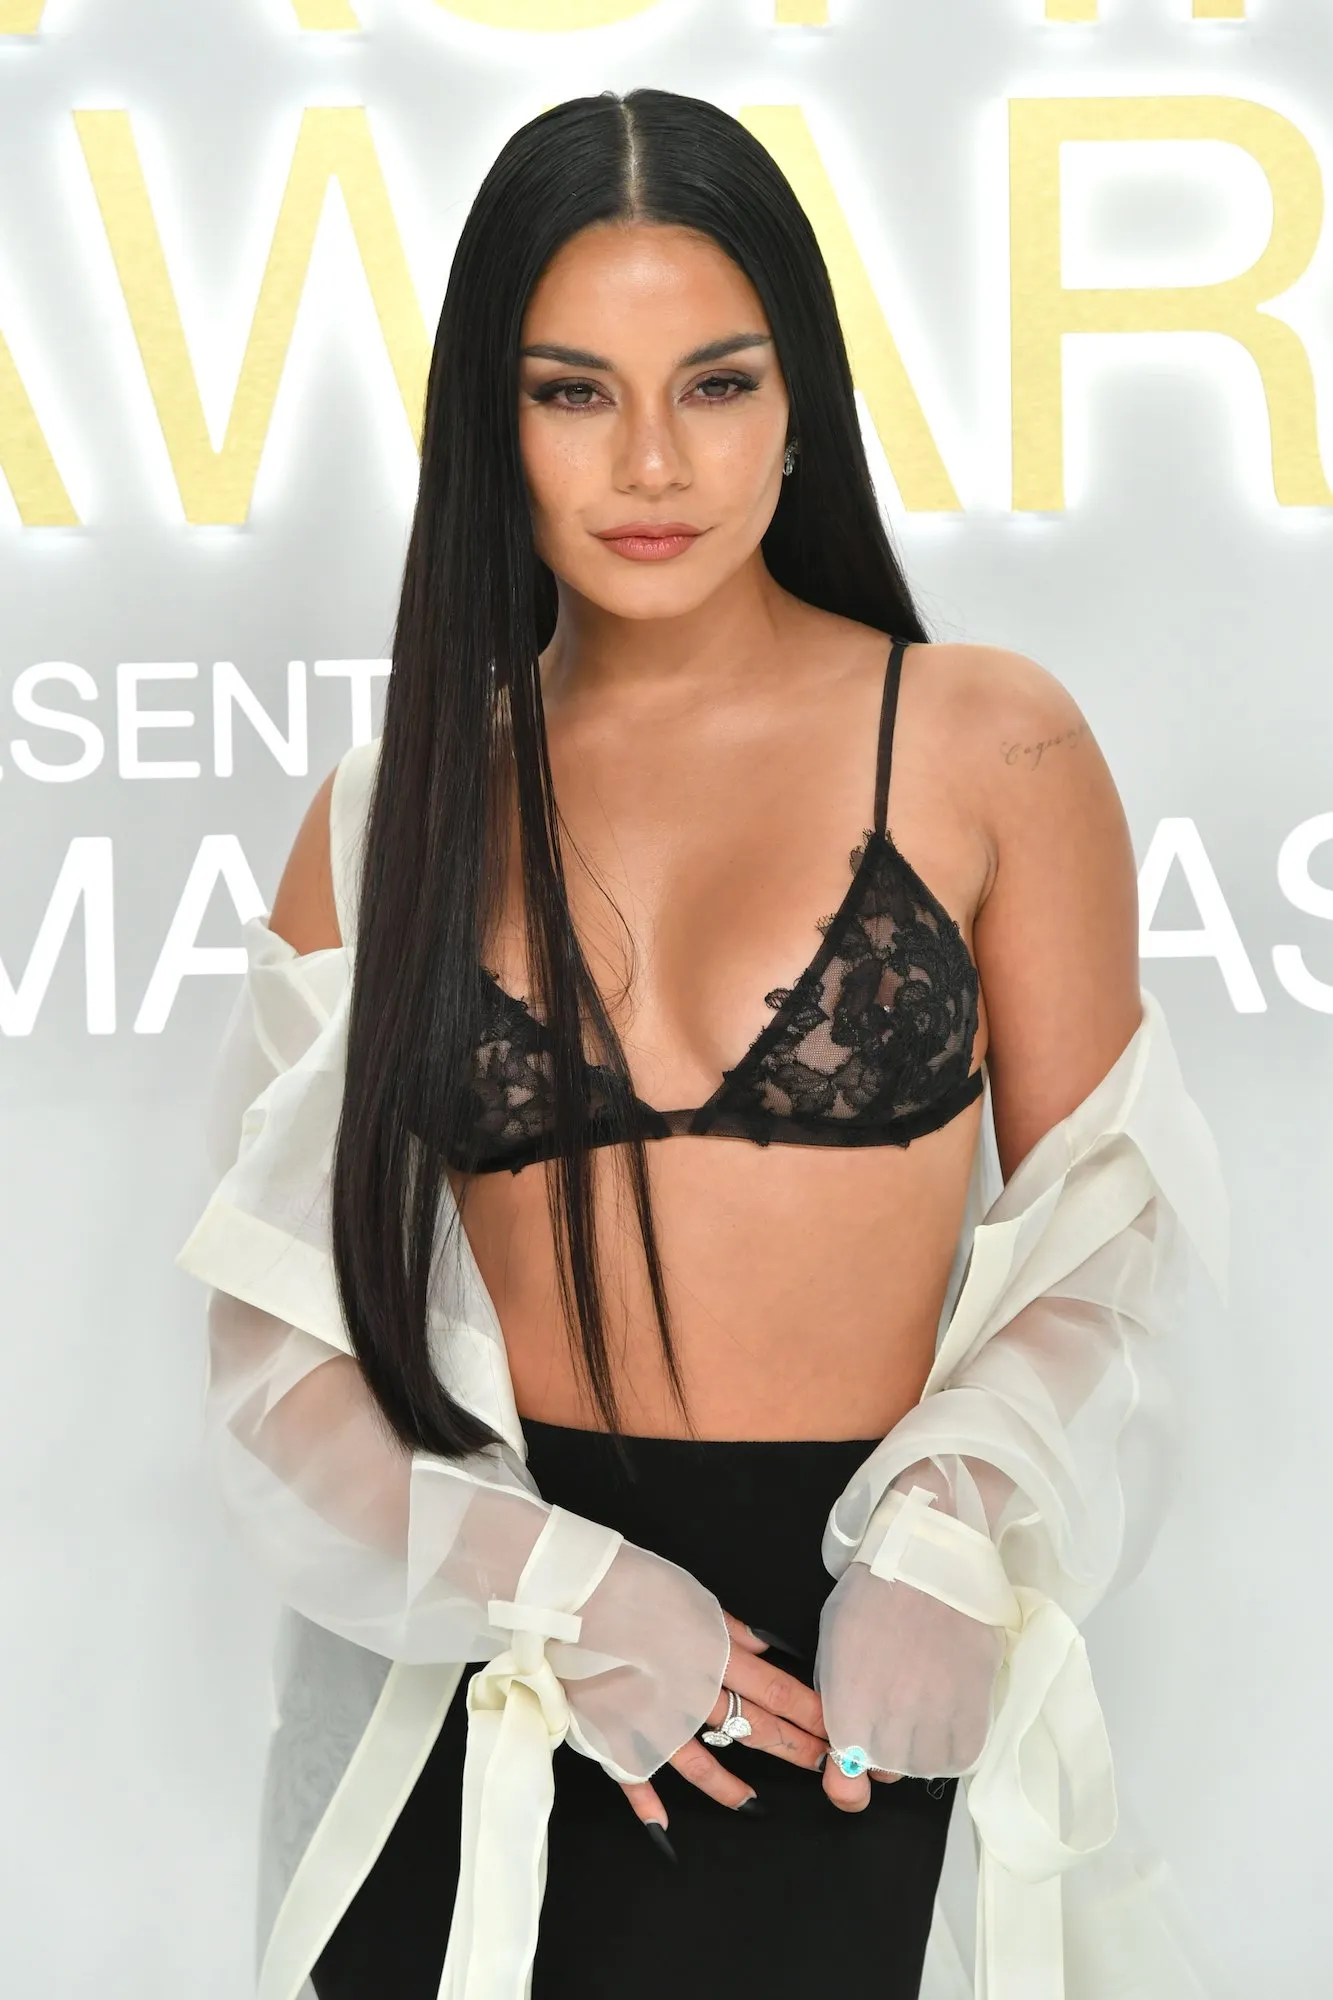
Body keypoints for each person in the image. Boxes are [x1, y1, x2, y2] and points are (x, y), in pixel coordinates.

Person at [176, 86, 1228, 2000]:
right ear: (490, 424)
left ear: (799, 401)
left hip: (858, 1702)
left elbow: (1111, 1235)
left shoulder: (987, 742)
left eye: (717, 385)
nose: (651, 460)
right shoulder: (395, 807)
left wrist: (950, 1521)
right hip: (504, 1713)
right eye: (574, 392)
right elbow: (277, 1347)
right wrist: (557, 1588)